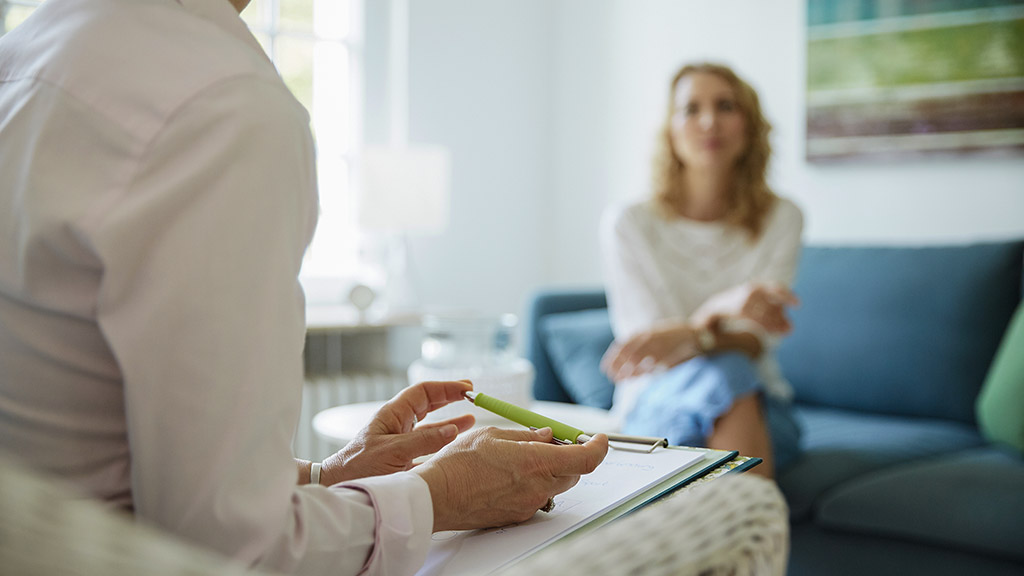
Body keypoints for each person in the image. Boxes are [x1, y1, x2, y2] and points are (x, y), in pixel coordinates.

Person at [0, 0, 608, 574]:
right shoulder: (221, 107)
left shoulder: (33, 48)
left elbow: (90, 457)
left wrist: (328, 474)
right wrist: (442, 493)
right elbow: (233, 550)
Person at [600, 62, 803, 478]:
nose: (709, 122)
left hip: (761, 405)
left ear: (749, 126)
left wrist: (689, 333)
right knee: (726, 376)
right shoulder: (630, 223)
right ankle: (753, 536)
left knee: (732, 375)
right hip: (657, 405)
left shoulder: (782, 218)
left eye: (726, 106)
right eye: (691, 109)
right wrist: (726, 309)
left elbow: (754, 343)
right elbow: (651, 352)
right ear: (671, 131)